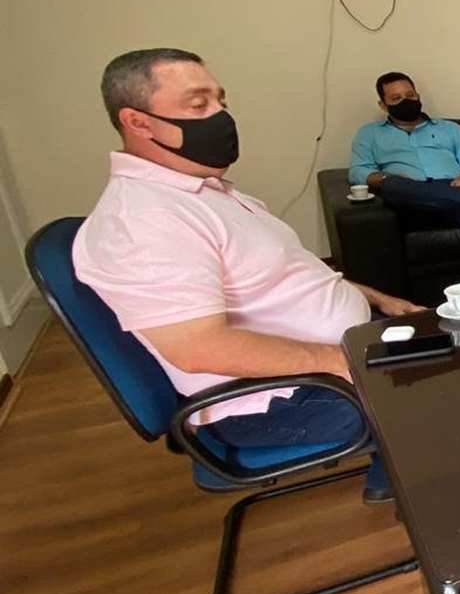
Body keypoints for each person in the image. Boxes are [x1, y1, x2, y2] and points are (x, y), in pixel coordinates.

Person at [74, 49, 423, 503]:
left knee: (459, 349)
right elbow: (199, 347)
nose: (221, 115)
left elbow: (290, 274)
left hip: (332, 359)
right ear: (138, 122)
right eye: (198, 104)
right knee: (449, 387)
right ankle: (420, 486)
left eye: (221, 101)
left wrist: (378, 299)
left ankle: (394, 466)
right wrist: (343, 361)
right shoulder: (143, 220)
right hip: (276, 400)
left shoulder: (204, 192)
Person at [350, 72, 460, 294]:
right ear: (383, 105)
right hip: (408, 201)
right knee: (394, 186)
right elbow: (358, 170)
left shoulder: (450, 129)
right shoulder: (369, 134)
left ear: (418, 96)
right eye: (396, 98)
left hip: (455, 194)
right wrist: (384, 179)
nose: (405, 101)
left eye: (410, 95)